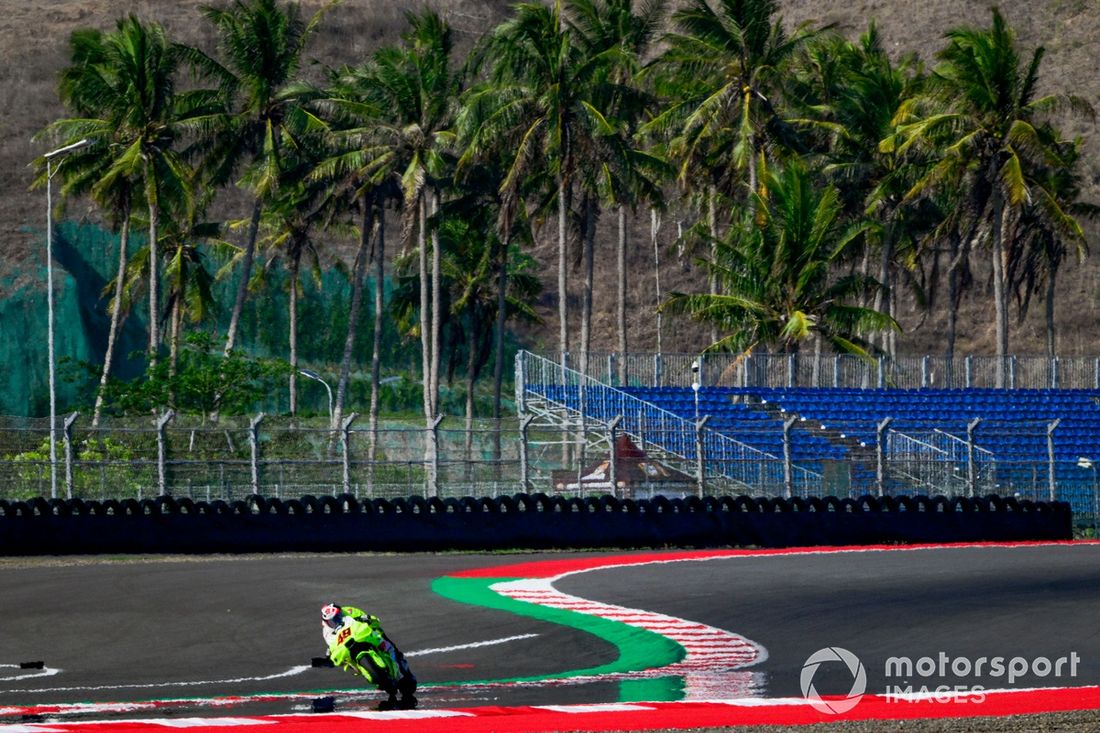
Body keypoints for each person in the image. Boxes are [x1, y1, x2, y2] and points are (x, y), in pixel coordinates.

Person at [321, 602, 417, 708]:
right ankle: (368, 673)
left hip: (364, 635)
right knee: (347, 663)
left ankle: (404, 673)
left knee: (389, 646)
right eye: (331, 621)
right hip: (349, 647)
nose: (335, 621)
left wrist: (367, 619)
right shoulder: (326, 630)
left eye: (337, 617)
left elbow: (368, 620)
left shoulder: (349, 611)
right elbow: (331, 643)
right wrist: (329, 653)